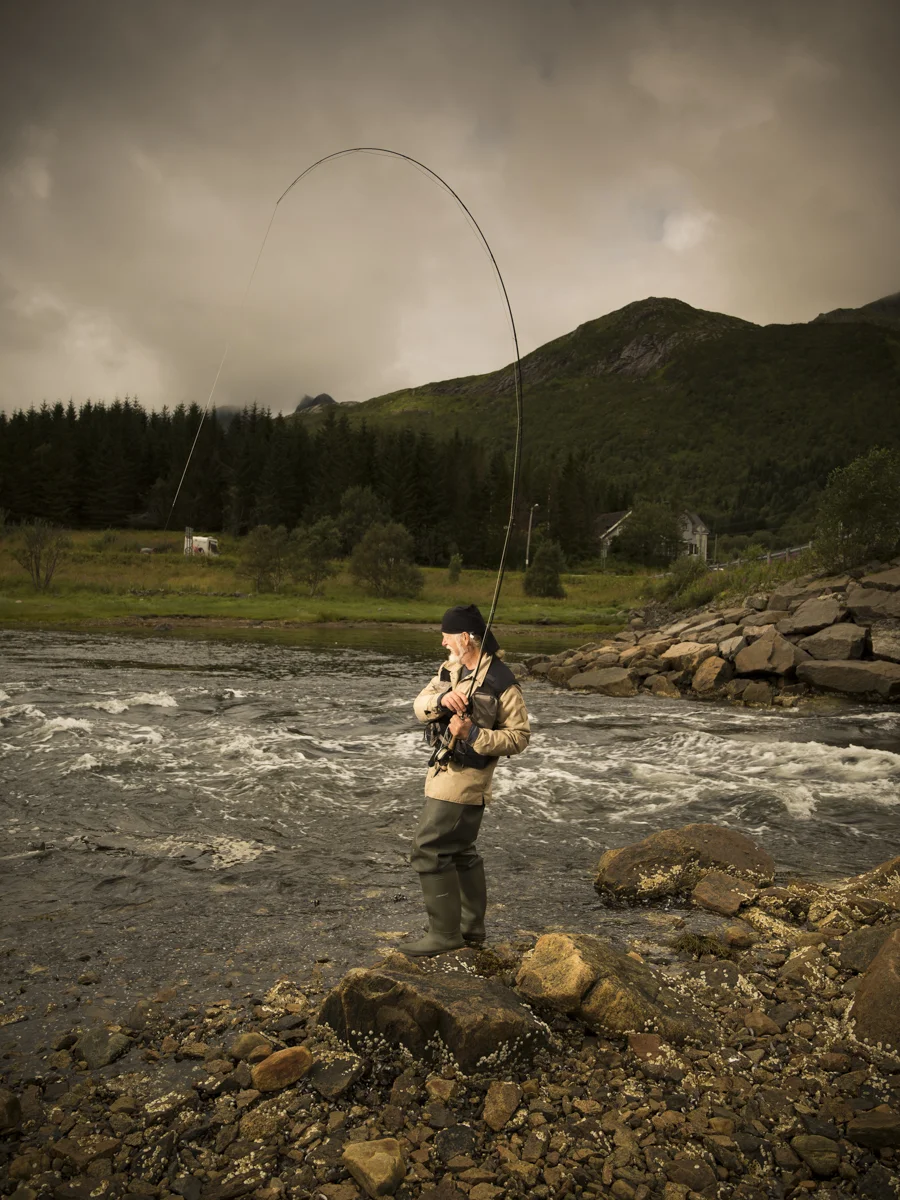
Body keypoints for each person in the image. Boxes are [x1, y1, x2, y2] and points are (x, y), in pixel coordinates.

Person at [406, 604, 531, 956]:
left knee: (427, 848)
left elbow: (519, 738)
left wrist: (473, 733)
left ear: (465, 637)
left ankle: (444, 935)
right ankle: (470, 929)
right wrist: (442, 698)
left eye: (447, 636)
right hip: (443, 773)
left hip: (467, 780)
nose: (443, 642)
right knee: (460, 851)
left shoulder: (502, 682)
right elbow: (419, 706)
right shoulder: (451, 669)